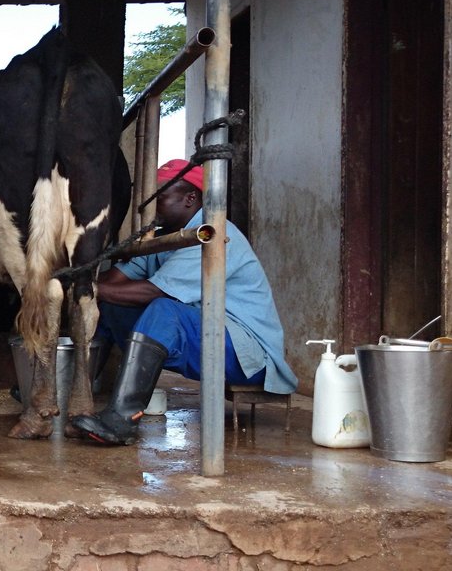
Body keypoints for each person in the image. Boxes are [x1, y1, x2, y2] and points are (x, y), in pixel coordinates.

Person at [71, 158, 298, 446]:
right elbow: (113, 283)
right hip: (208, 335)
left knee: (163, 309)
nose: (151, 207)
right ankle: (74, 392)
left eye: (160, 198)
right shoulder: (163, 240)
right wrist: (77, 283)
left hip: (248, 354)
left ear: (190, 198)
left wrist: (83, 288)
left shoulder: (210, 234)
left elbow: (155, 292)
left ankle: (122, 419)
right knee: (110, 307)